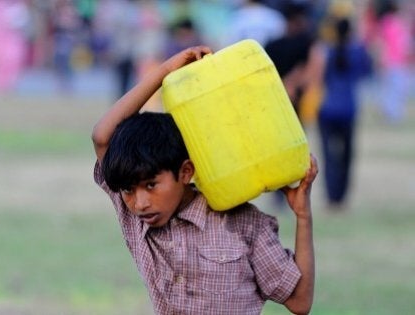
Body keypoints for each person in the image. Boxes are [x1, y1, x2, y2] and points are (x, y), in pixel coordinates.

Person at [91, 46, 318, 314]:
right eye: (129, 190)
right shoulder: (138, 223)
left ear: (186, 172)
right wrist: (165, 71)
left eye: (151, 185)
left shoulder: (244, 223)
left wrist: (303, 217)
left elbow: (299, 302)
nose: (139, 202)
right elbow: (102, 137)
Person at [311, 18, 372, 210]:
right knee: (346, 155)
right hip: (348, 109)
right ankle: (342, 197)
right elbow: (367, 72)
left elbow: (317, 78)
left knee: (329, 156)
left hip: (327, 108)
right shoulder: (357, 51)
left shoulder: (325, 51)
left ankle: (331, 196)